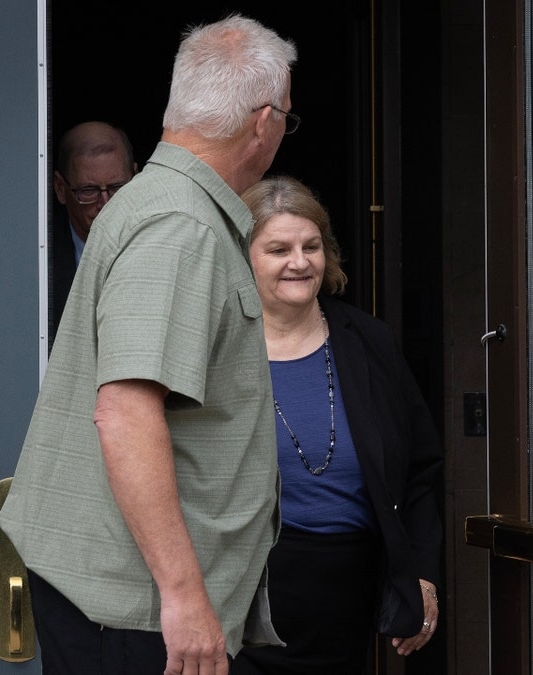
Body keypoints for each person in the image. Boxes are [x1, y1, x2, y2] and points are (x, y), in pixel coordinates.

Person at [0, 15, 297, 675]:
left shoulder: (160, 208)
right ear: (263, 121)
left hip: (130, 609)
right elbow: (126, 412)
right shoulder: (178, 224)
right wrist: (186, 596)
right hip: (138, 616)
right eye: (288, 117)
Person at [231, 176, 443, 675]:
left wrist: (422, 576)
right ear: (242, 258)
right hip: (243, 596)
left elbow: (420, 469)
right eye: (278, 248)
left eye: (311, 246)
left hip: (348, 599)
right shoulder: (220, 348)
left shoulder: (368, 341)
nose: (299, 262)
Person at [48, 120, 138, 343]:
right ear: (60, 188)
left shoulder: (160, 245)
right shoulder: (40, 263)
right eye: (89, 191)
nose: (106, 203)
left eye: (117, 187)